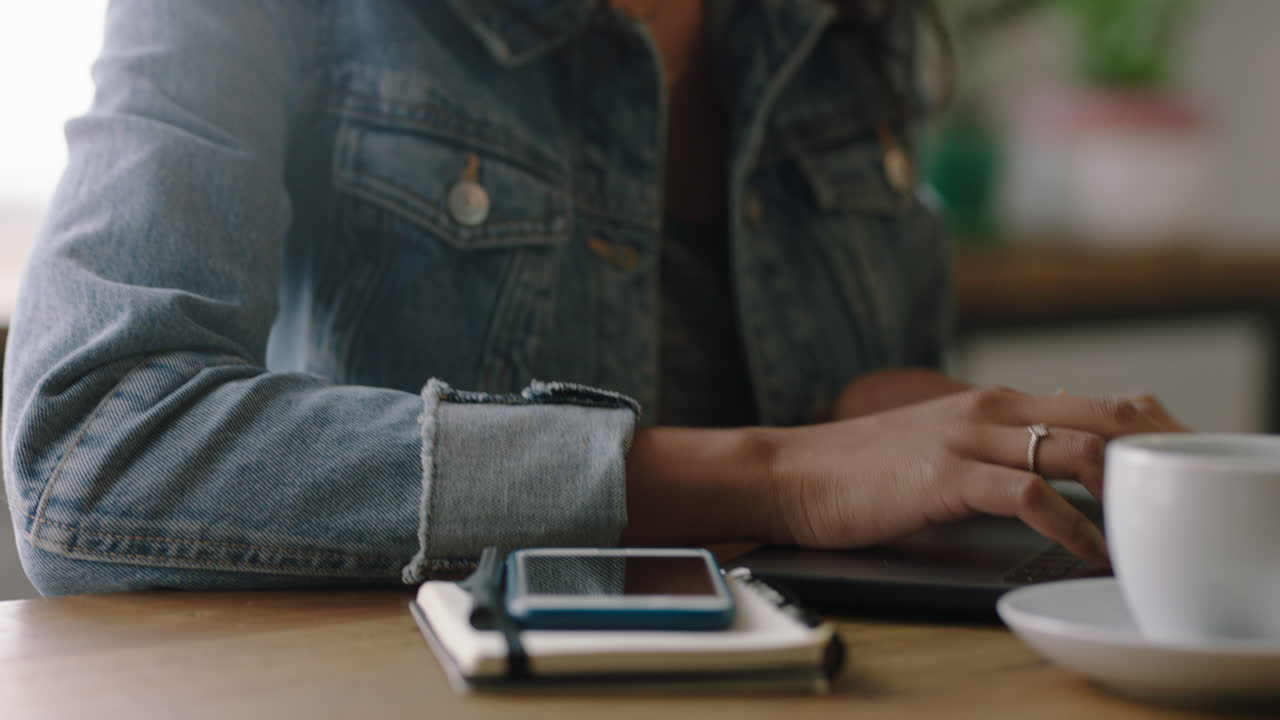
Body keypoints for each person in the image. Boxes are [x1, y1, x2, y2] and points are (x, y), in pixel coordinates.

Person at [3, 0, 1183, 596]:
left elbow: (855, 407)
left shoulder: (841, 27)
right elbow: (94, 451)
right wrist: (782, 472)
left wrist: (945, 429)